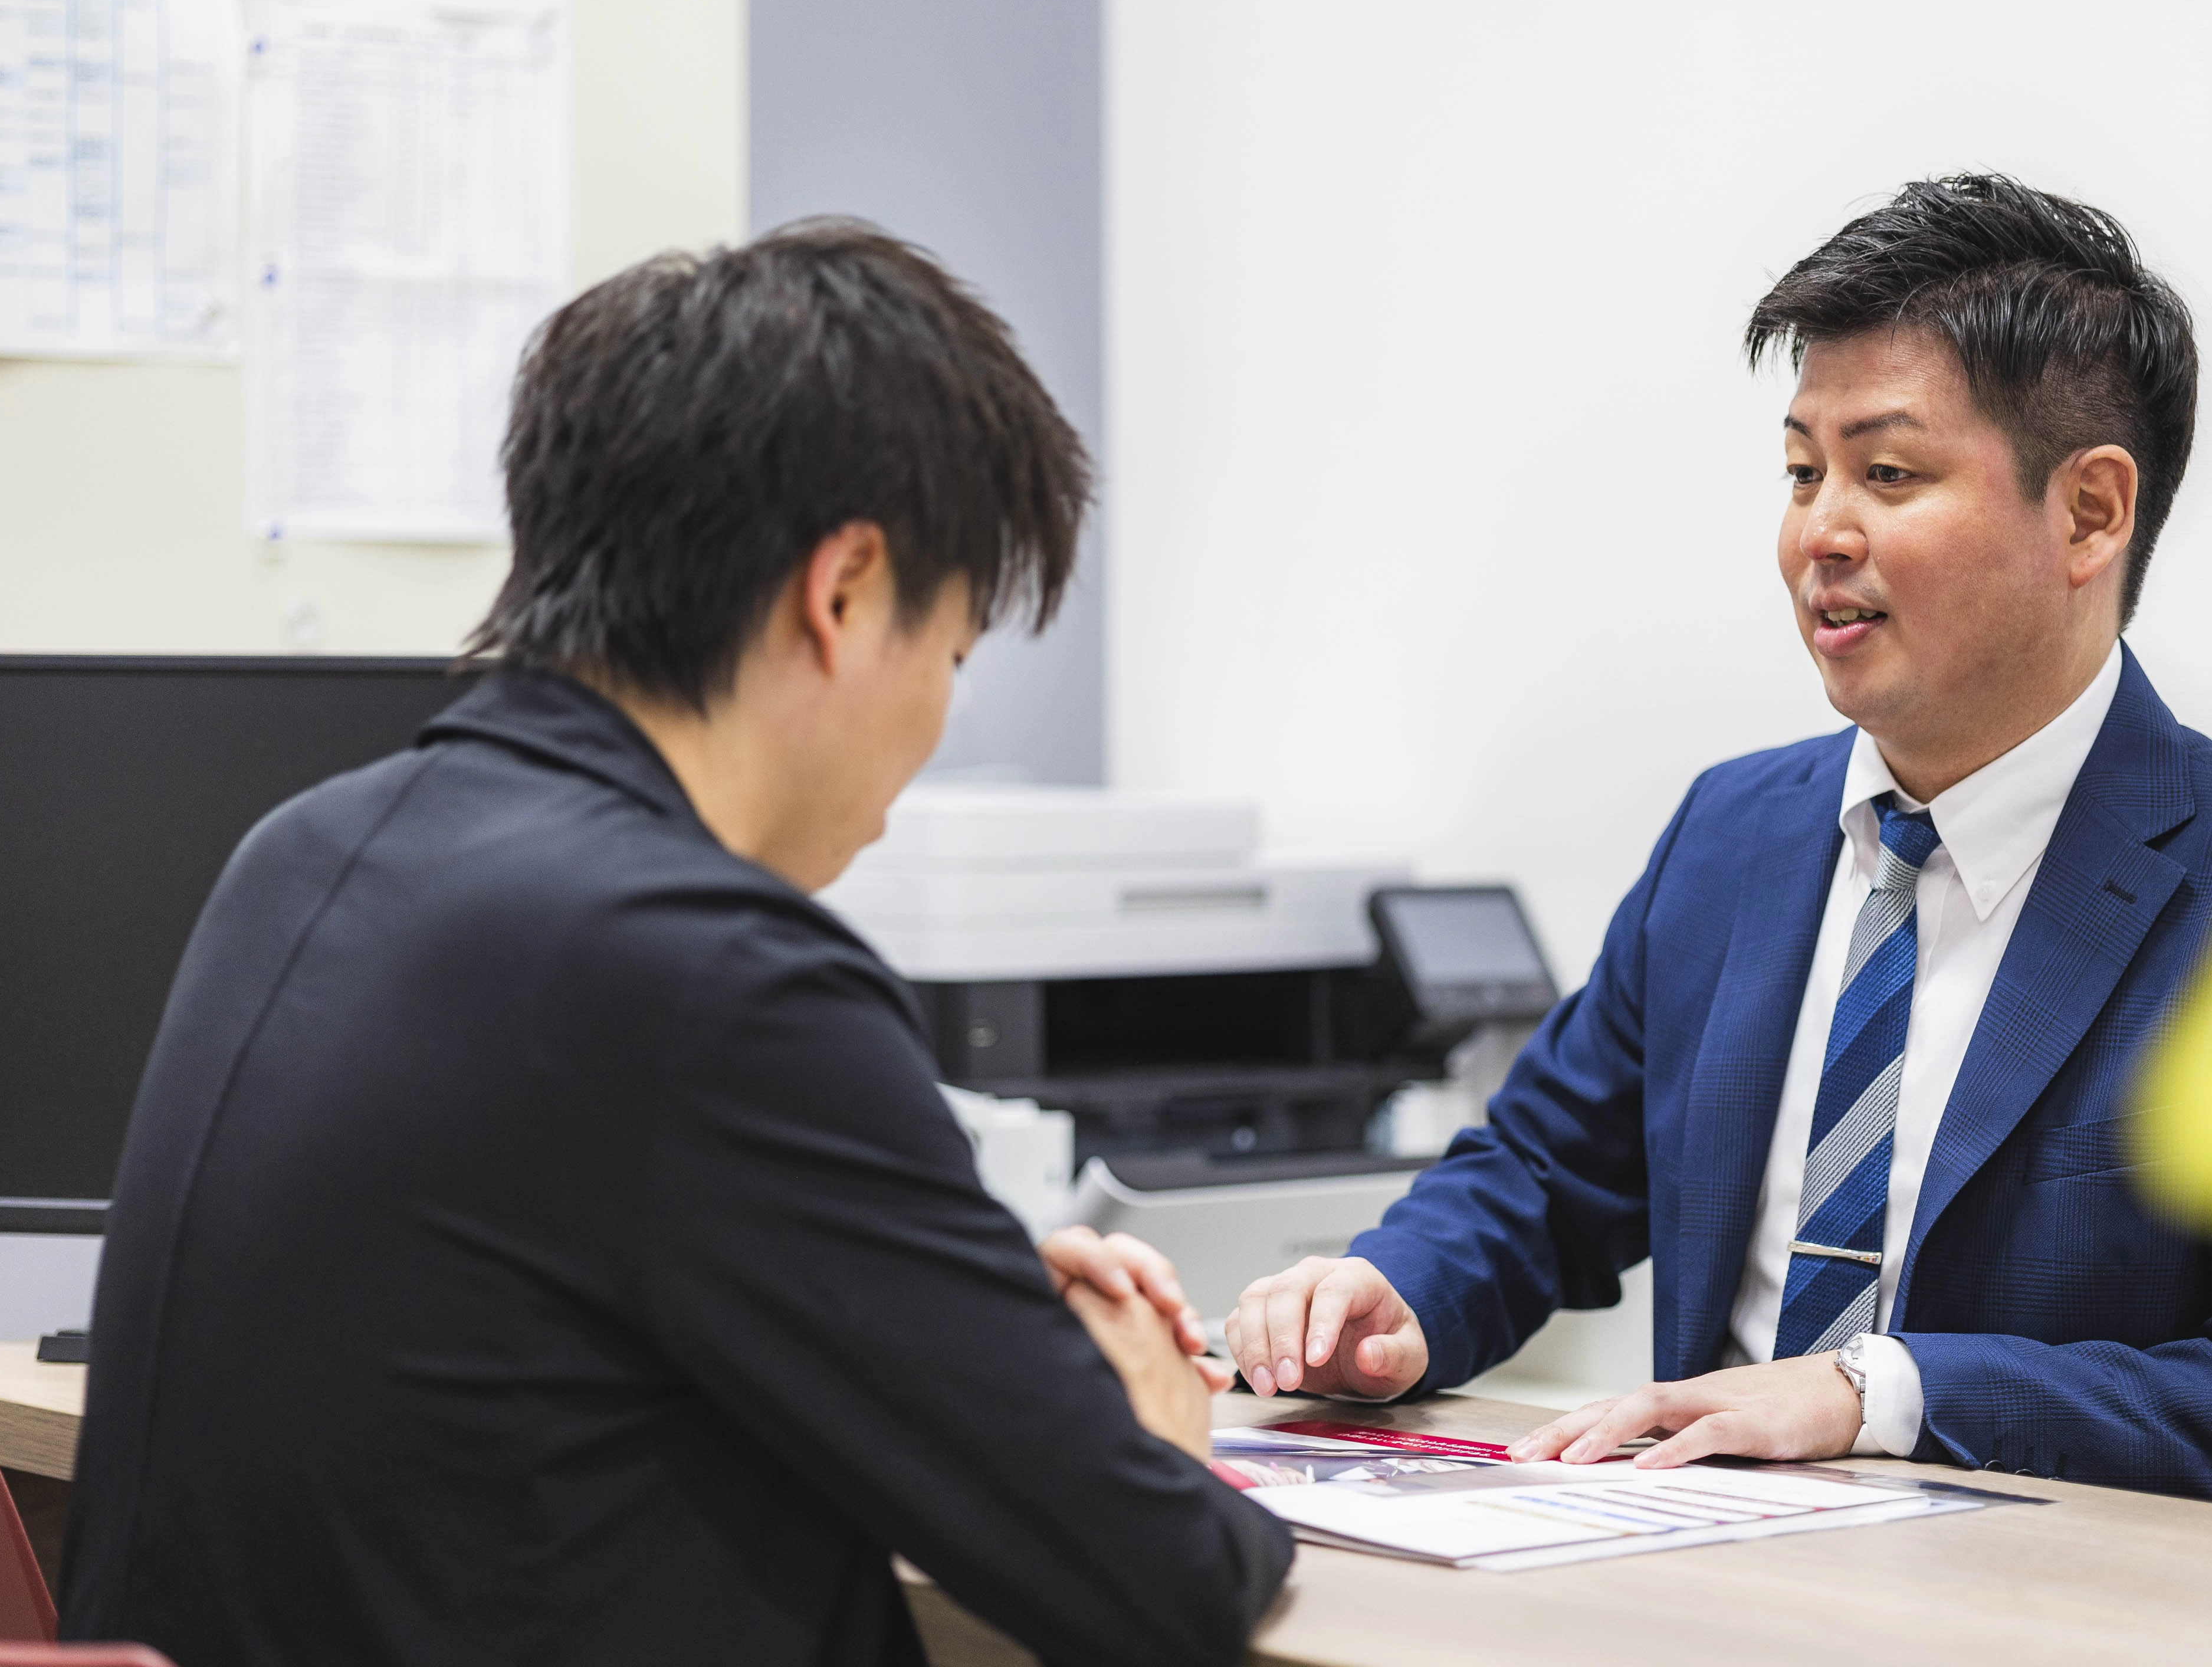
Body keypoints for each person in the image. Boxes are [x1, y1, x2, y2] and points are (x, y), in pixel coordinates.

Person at [62, 222, 1292, 1666]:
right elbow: (1153, 1577)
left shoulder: (306, 852)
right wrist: (1154, 1430)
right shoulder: (714, 968)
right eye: (952, 651)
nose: (938, 720)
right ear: (841, 596)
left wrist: (940, 1302)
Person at [1225, 175, 2212, 1502]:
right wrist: (1395, 1296)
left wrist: (1883, 1394)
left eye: (1887, 474)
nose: (1819, 535)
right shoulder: (1734, 837)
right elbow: (1544, 1172)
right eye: (1803, 472)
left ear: (2089, 513)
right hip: (1693, 1575)